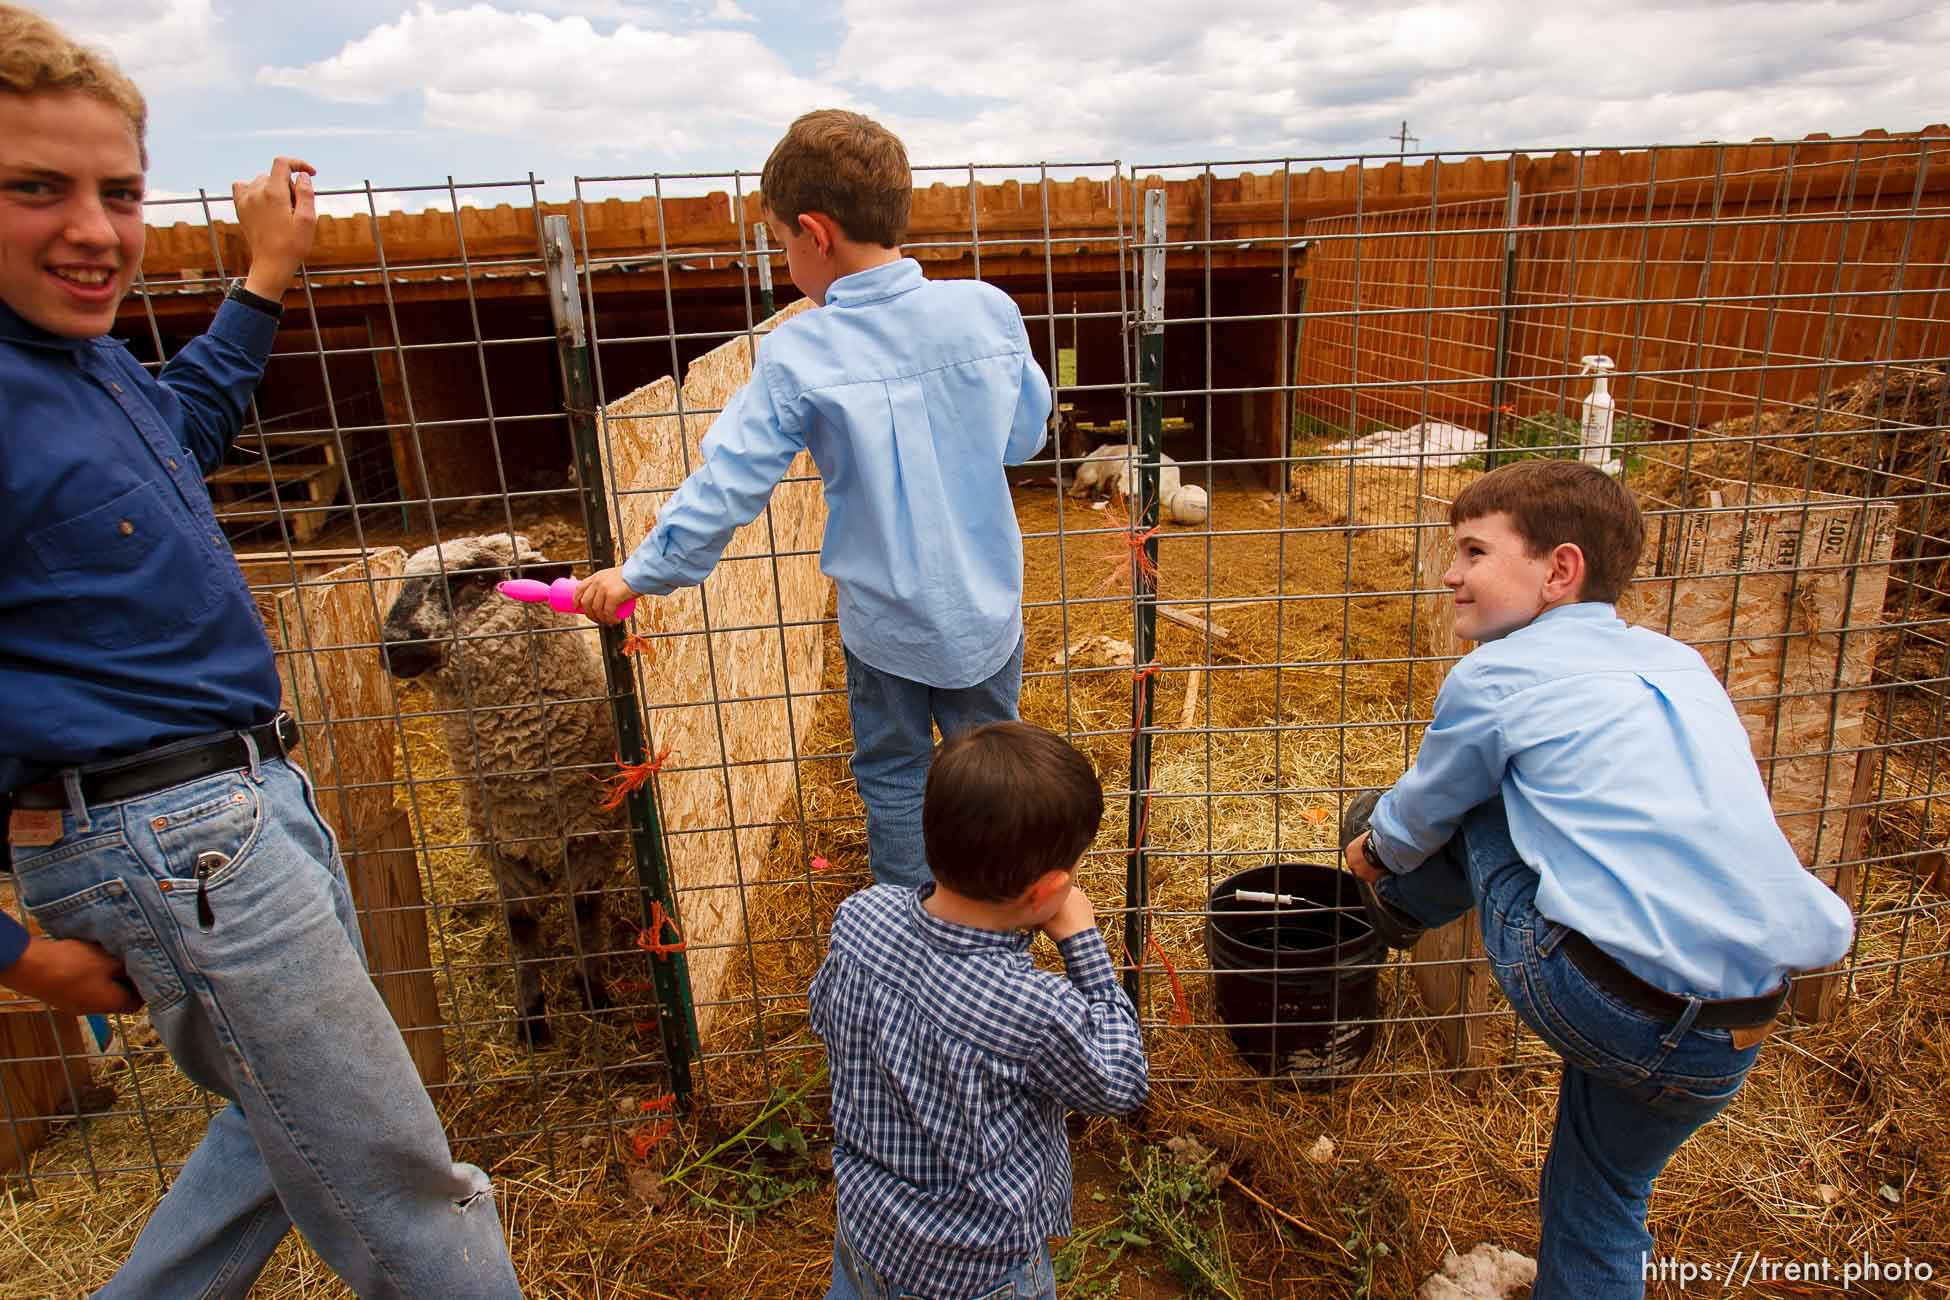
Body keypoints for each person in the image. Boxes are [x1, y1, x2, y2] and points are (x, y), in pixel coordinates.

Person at [0, 8, 523, 1296]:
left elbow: (185, 424)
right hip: (165, 840)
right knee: (410, 1194)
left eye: (117, 190)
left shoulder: (83, 364)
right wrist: (14, 960)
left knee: (275, 1127)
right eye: (34, 188)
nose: (93, 228)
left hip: (237, 811)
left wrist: (263, 275)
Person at [1339, 458, 1855, 1299]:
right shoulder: (1678, 660)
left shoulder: (1496, 676)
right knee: (1602, 1194)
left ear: (1560, 570)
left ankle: (1389, 917)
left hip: (1607, 1003)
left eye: (1473, 551)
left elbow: (1416, 819)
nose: (1449, 572)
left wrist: (1370, 856)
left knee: (1445, 803)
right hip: (1736, 1028)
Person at [577, 109, 1054, 888]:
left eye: (779, 243)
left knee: (898, 778)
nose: (783, 259)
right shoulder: (987, 311)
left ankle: (906, 940)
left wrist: (640, 574)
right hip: (985, 612)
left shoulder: (801, 351)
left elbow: (728, 481)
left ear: (813, 232)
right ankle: (995, 927)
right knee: (994, 775)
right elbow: (1024, 439)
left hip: (883, 627)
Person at [808, 721, 1148, 1299]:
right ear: (1045, 893)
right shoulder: (1035, 1010)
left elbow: (825, 1016)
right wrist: (1082, 942)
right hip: (981, 1274)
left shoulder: (859, 918)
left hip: (867, 1242)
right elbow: (1121, 1082)